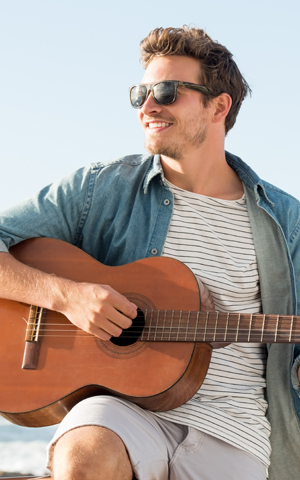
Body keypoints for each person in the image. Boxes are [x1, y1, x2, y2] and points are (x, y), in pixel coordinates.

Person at [0, 26, 299, 480]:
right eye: (140, 93)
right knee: (85, 456)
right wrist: (66, 297)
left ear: (219, 106)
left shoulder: (286, 220)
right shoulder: (99, 188)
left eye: (167, 91)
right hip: (121, 411)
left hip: (237, 430)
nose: (147, 106)